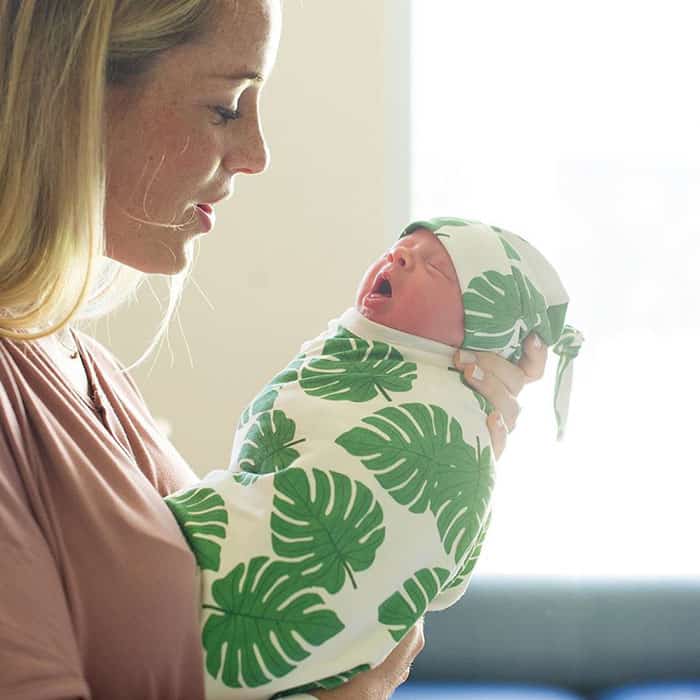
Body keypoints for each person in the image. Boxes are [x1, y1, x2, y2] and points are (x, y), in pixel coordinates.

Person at [0, 2, 548, 699]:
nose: (256, 154)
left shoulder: (85, 368)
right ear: (71, 94)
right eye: (225, 106)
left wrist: (428, 456)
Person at [164, 217, 581, 699]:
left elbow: (432, 562)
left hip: (199, 637)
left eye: (437, 268)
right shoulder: (348, 360)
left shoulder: (445, 423)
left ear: (484, 331)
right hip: (190, 637)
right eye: (401, 248)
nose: (399, 257)